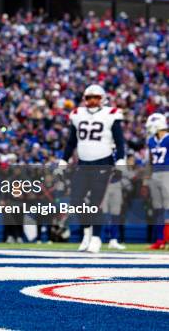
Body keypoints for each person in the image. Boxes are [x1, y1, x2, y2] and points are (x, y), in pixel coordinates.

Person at [58, 84, 126, 253]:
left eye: (96, 97)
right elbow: (72, 141)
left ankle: (96, 237)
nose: (93, 101)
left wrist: (121, 160)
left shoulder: (111, 114)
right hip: (83, 163)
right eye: (89, 97)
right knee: (76, 201)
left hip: (103, 162)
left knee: (96, 202)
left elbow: (119, 140)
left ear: (102, 99)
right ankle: (87, 233)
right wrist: (64, 160)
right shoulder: (77, 114)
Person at [145, 113, 169, 250]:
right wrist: (145, 180)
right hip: (155, 174)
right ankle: (160, 240)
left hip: (167, 174)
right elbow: (149, 161)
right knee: (158, 209)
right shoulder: (151, 140)